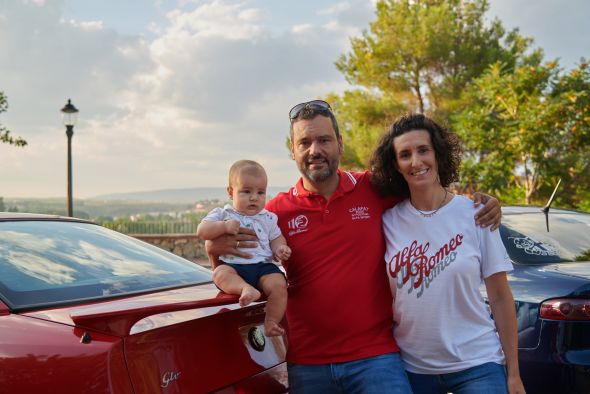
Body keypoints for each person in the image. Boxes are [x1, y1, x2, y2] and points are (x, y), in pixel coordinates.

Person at [207, 100, 502, 393]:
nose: (315, 150)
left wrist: (481, 204)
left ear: (340, 143)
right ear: (293, 150)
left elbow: (428, 192)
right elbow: (231, 258)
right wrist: (214, 247)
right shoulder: (273, 213)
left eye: (324, 140)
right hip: (308, 364)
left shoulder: (374, 189)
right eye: (305, 142)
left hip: (377, 359)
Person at [371, 113, 525, 394]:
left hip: (478, 364)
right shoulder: (387, 220)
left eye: (423, 150)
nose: (416, 162)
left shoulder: (477, 215)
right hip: (412, 369)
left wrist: (514, 374)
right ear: (396, 164)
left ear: (438, 153)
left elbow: (501, 297)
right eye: (405, 154)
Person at [197, 160, 291, 337]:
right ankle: (245, 289)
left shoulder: (269, 218)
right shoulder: (223, 214)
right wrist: (223, 227)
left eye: (260, 192)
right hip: (235, 267)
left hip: (263, 267)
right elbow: (202, 231)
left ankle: (271, 322)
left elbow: (276, 237)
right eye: (247, 191)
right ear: (231, 192)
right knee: (220, 274)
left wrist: (280, 248)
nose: (254, 197)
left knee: (279, 285)